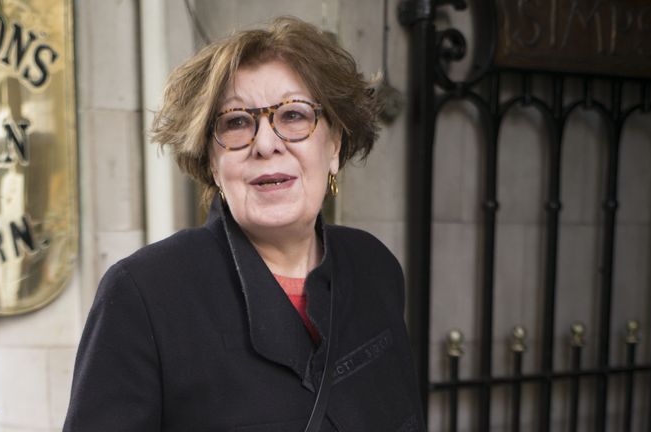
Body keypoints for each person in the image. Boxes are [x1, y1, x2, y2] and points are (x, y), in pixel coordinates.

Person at [64, 16, 425, 432]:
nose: (267, 144)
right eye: (236, 122)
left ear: (334, 146)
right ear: (212, 163)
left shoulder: (374, 268)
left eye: (293, 115)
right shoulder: (142, 294)